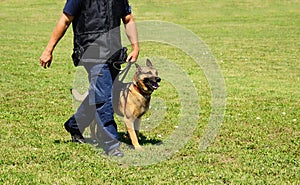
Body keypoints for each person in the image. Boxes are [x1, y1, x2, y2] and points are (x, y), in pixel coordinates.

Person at [39, 0, 139, 157]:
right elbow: (65, 20)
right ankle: (111, 145)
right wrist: (48, 49)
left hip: (114, 54)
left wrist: (135, 46)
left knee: (100, 93)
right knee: (104, 99)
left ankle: (75, 125)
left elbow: (128, 19)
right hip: (91, 53)